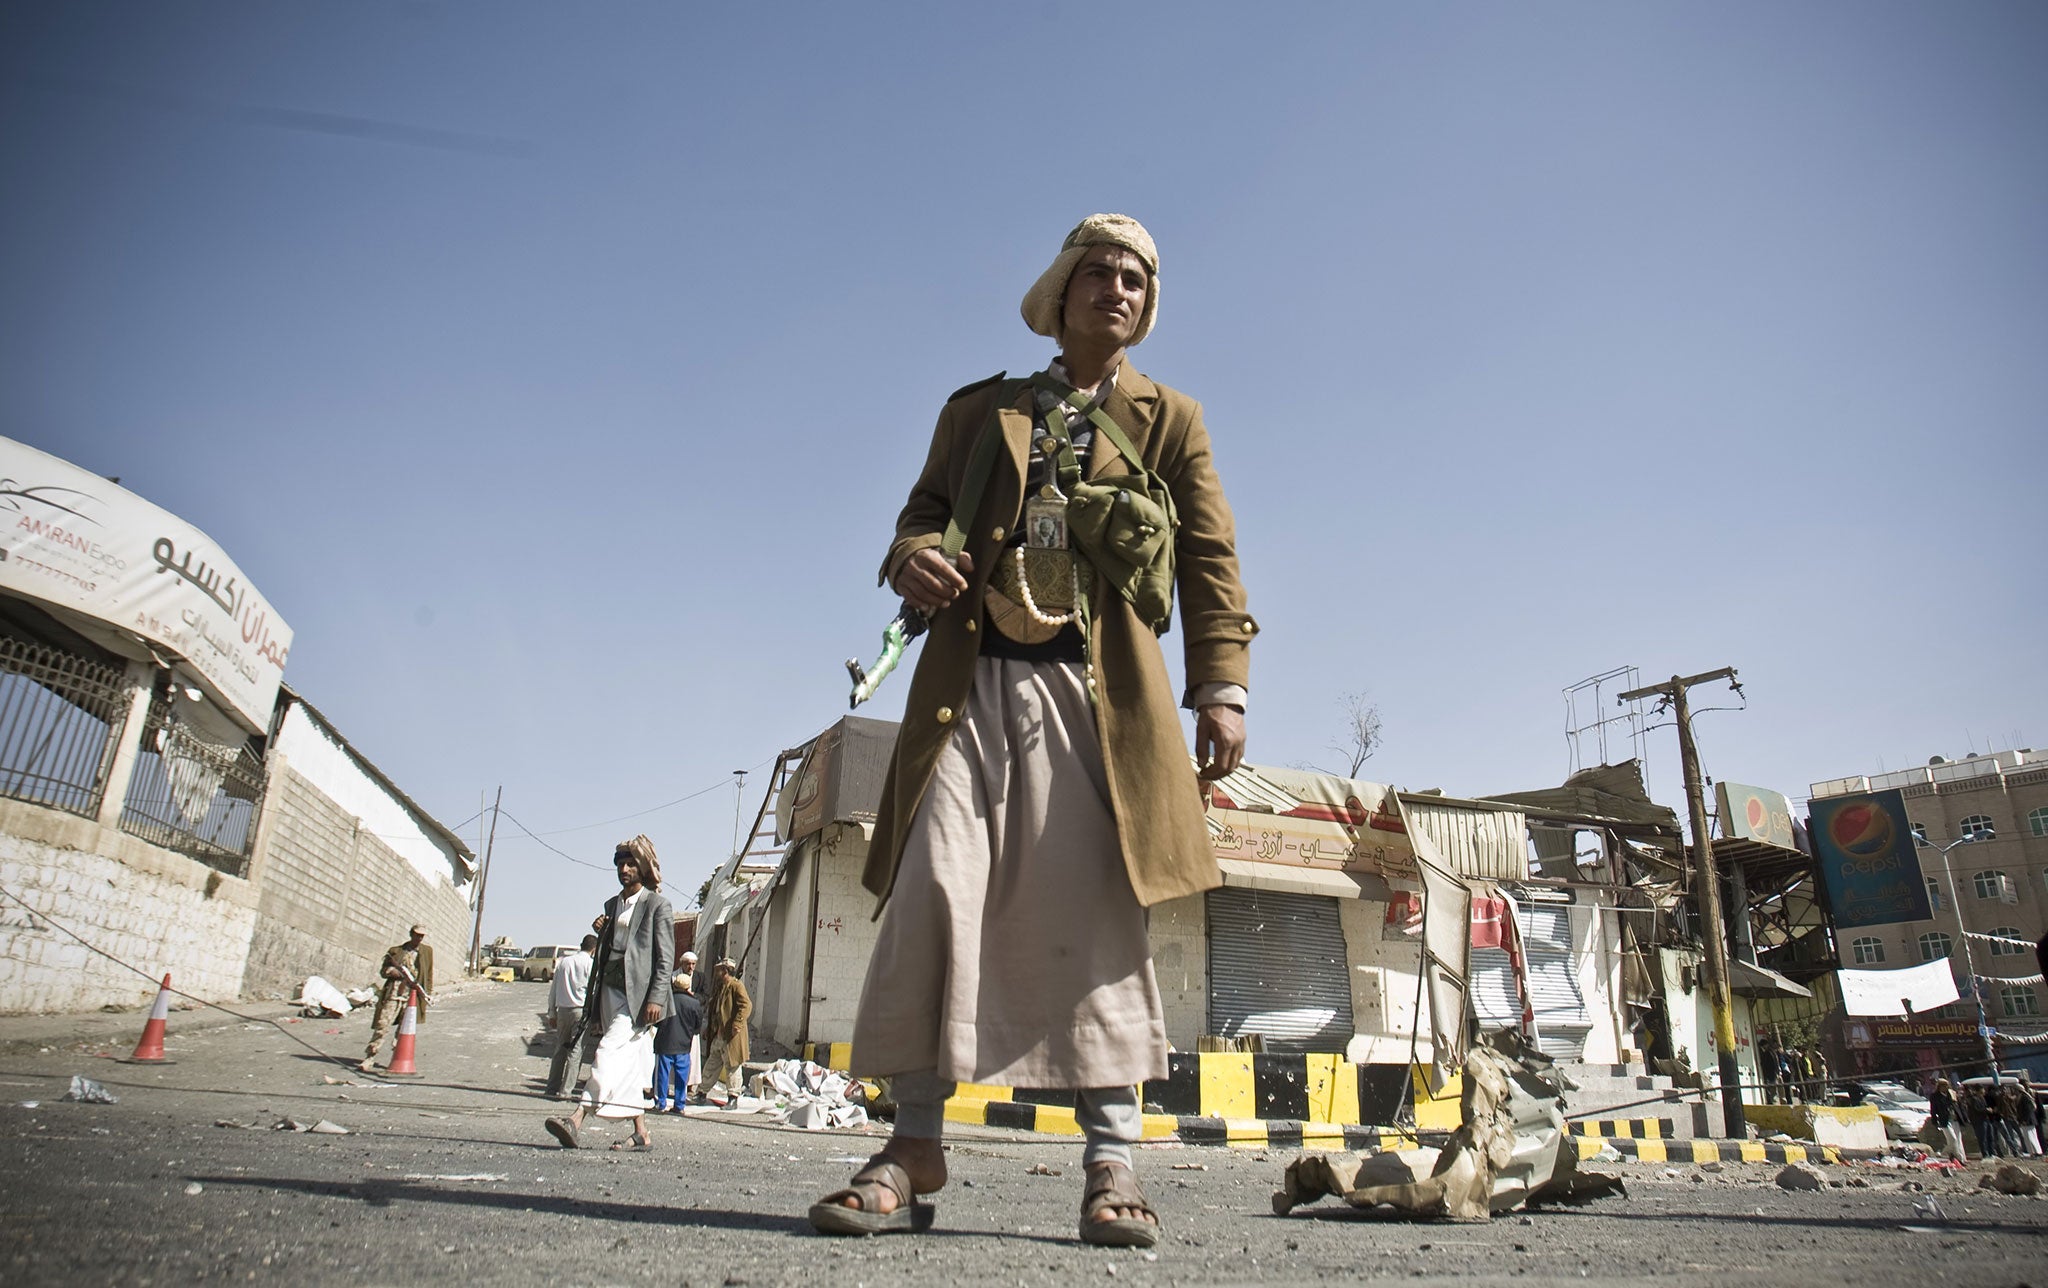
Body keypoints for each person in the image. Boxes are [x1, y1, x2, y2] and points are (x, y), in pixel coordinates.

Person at [810, 214, 1254, 1249]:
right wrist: (909, 554)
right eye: (1097, 271)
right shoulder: (981, 412)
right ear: (1058, 292)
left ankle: (1109, 1162)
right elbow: (916, 516)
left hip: (1095, 701)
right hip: (969, 685)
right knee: (933, 885)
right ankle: (912, 1142)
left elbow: (1209, 560)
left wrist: (1220, 685)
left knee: (1097, 917)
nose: (1118, 288)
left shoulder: (1168, 419)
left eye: (1137, 278)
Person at [544, 836, 673, 1152]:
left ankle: (577, 1118)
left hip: (639, 997)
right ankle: (641, 1132)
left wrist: (656, 997)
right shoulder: (612, 905)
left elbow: (665, 955)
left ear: (642, 868)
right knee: (625, 1063)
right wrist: (603, 929)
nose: (625, 870)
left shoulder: (658, 905)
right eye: (620, 865)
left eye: (631, 864)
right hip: (610, 990)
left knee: (607, 1052)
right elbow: (612, 949)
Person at [360, 924, 433, 1073]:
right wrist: (393, 972)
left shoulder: (427, 952)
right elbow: (384, 971)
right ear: (411, 934)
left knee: (404, 1030)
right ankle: (370, 1056)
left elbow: (428, 974)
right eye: (417, 935)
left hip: (412, 997)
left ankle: (397, 1058)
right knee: (382, 1025)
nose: (419, 938)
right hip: (394, 994)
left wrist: (427, 993)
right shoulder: (396, 951)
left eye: (422, 936)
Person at [543, 934, 599, 1098]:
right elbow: (593, 992)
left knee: (560, 1048)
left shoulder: (564, 962)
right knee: (576, 1051)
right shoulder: (590, 964)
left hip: (563, 1010)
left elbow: (554, 989)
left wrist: (551, 1012)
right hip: (580, 1011)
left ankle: (551, 1087)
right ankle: (566, 1091)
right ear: (594, 949)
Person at [652, 973, 703, 1114]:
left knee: (662, 1075)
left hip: (665, 1043)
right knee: (682, 1077)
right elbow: (697, 1027)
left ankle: (660, 1103)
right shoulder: (694, 1003)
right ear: (688, 987)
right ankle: (679, 1105)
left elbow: (656, 1021)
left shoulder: (666, 1000)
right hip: (684, 1045)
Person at [703, 958, 752, 1105]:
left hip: (731, 1036)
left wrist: (737, 1023)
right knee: (712, 1063)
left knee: (733, 1067)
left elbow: (746, 1005)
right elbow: (716, 1011)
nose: (717, 972)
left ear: (725, 971)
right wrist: (710, 1028)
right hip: (719, 1034)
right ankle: (702, 1092)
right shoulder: (721, 987)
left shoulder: (736, 986)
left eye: (720, 969)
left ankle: (733, 1097)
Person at [1929, 1078, 1967, 1162]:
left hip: (1955, 1119)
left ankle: (1960, 1159)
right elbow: (1933, 1110)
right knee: (1952, 1139)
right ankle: (1945, 1152)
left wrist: (1964, 1118)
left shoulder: (1952, 1094)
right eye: (1943, 1085)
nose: (1945, 1087)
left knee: (1958, 1139)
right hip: (1945, 1120)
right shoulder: (1935, 1096)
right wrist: (1934, 1121)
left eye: (1946, 1085)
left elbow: (1959, 1106)